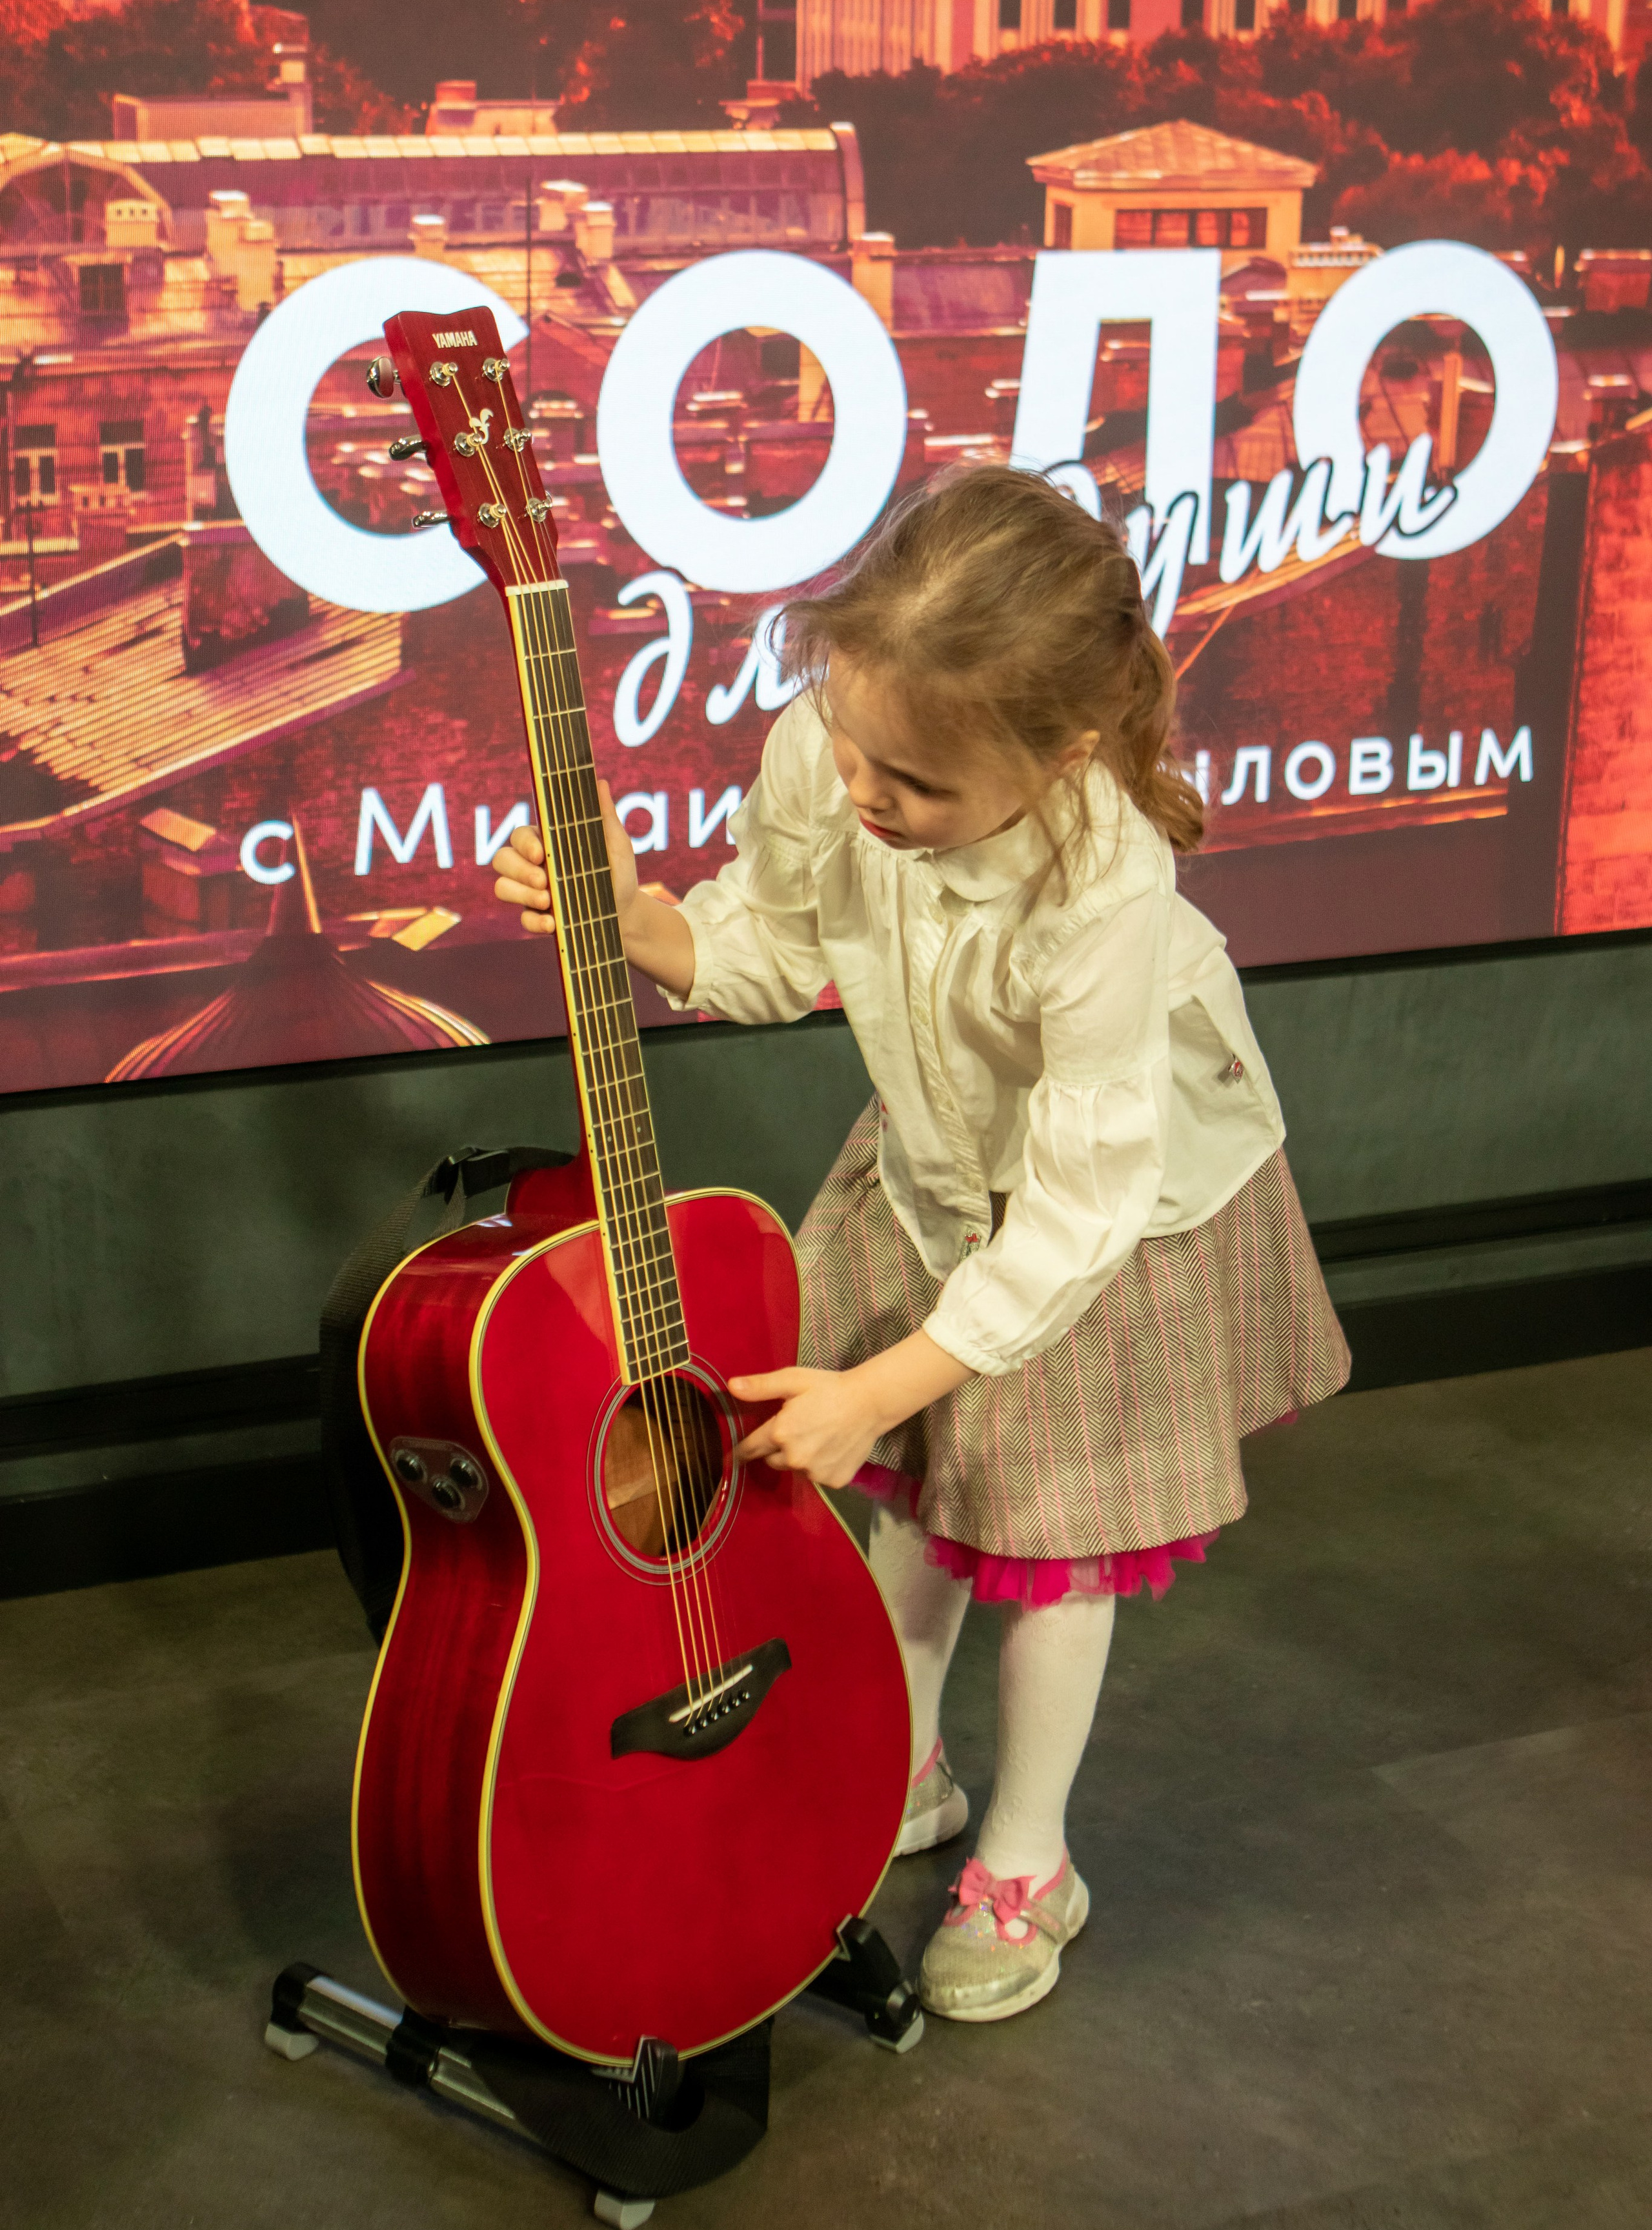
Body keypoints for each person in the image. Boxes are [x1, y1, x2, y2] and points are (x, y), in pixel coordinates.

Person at [492, 466, 1349, 2025]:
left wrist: (884, 1378)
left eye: (919, 787)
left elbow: (1081, 1204)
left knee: (1040, 1538)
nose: (869, 797)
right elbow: (766, 950)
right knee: (911, 1494)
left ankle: (1029, 1860)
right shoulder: (843, 745)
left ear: (1064, 752)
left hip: (1106, 1219)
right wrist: (631, 912)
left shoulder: (1109, 896)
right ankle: (903, 1768)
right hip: (937, 1165)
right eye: (853, 748)